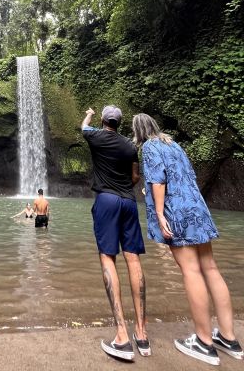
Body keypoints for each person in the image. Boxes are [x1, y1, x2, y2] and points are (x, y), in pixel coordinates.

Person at [133, 113, 243, 365]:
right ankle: (228, 337)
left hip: (175, 211)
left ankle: (204, 341)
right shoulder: (174, 144)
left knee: (191, 271)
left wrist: (160, 213)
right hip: (196, 207)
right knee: (211, 268)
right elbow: (188, 177)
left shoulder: (149, 147)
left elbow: (158, 180)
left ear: (137, 131)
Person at [82, 105, 149, 361]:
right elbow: (135, 177)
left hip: (107, 201)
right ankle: (141, 335)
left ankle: (122, 336)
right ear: (119, 123)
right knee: (133, 258)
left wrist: (89, 114)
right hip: (129, 202)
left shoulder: (96, 136)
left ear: (103, 120)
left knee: (108, 257)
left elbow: (83, 128)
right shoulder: (130, 146)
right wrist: (123, 184)